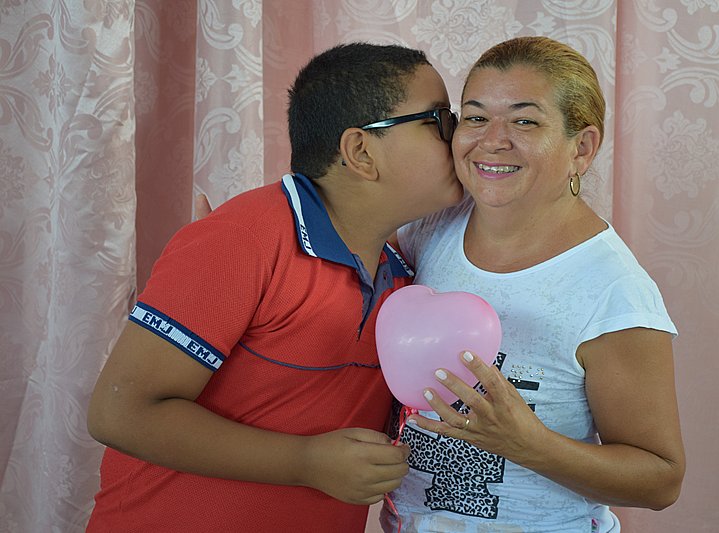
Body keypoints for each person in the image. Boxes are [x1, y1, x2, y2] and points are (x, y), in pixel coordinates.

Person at [85, 42, 463, 533]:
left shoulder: (406, 273)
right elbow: (119, 412)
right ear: (361, 151)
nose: (461, 137)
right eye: (440, 121)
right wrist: (305, 462)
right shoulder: (242, 239)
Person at [380, 36, 686, 532]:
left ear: (581, 148)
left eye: (525, 121)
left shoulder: (613, 290)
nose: (493, 140)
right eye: (475, 117)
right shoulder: (427, 229)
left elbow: (660, 481)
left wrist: (529, 444)